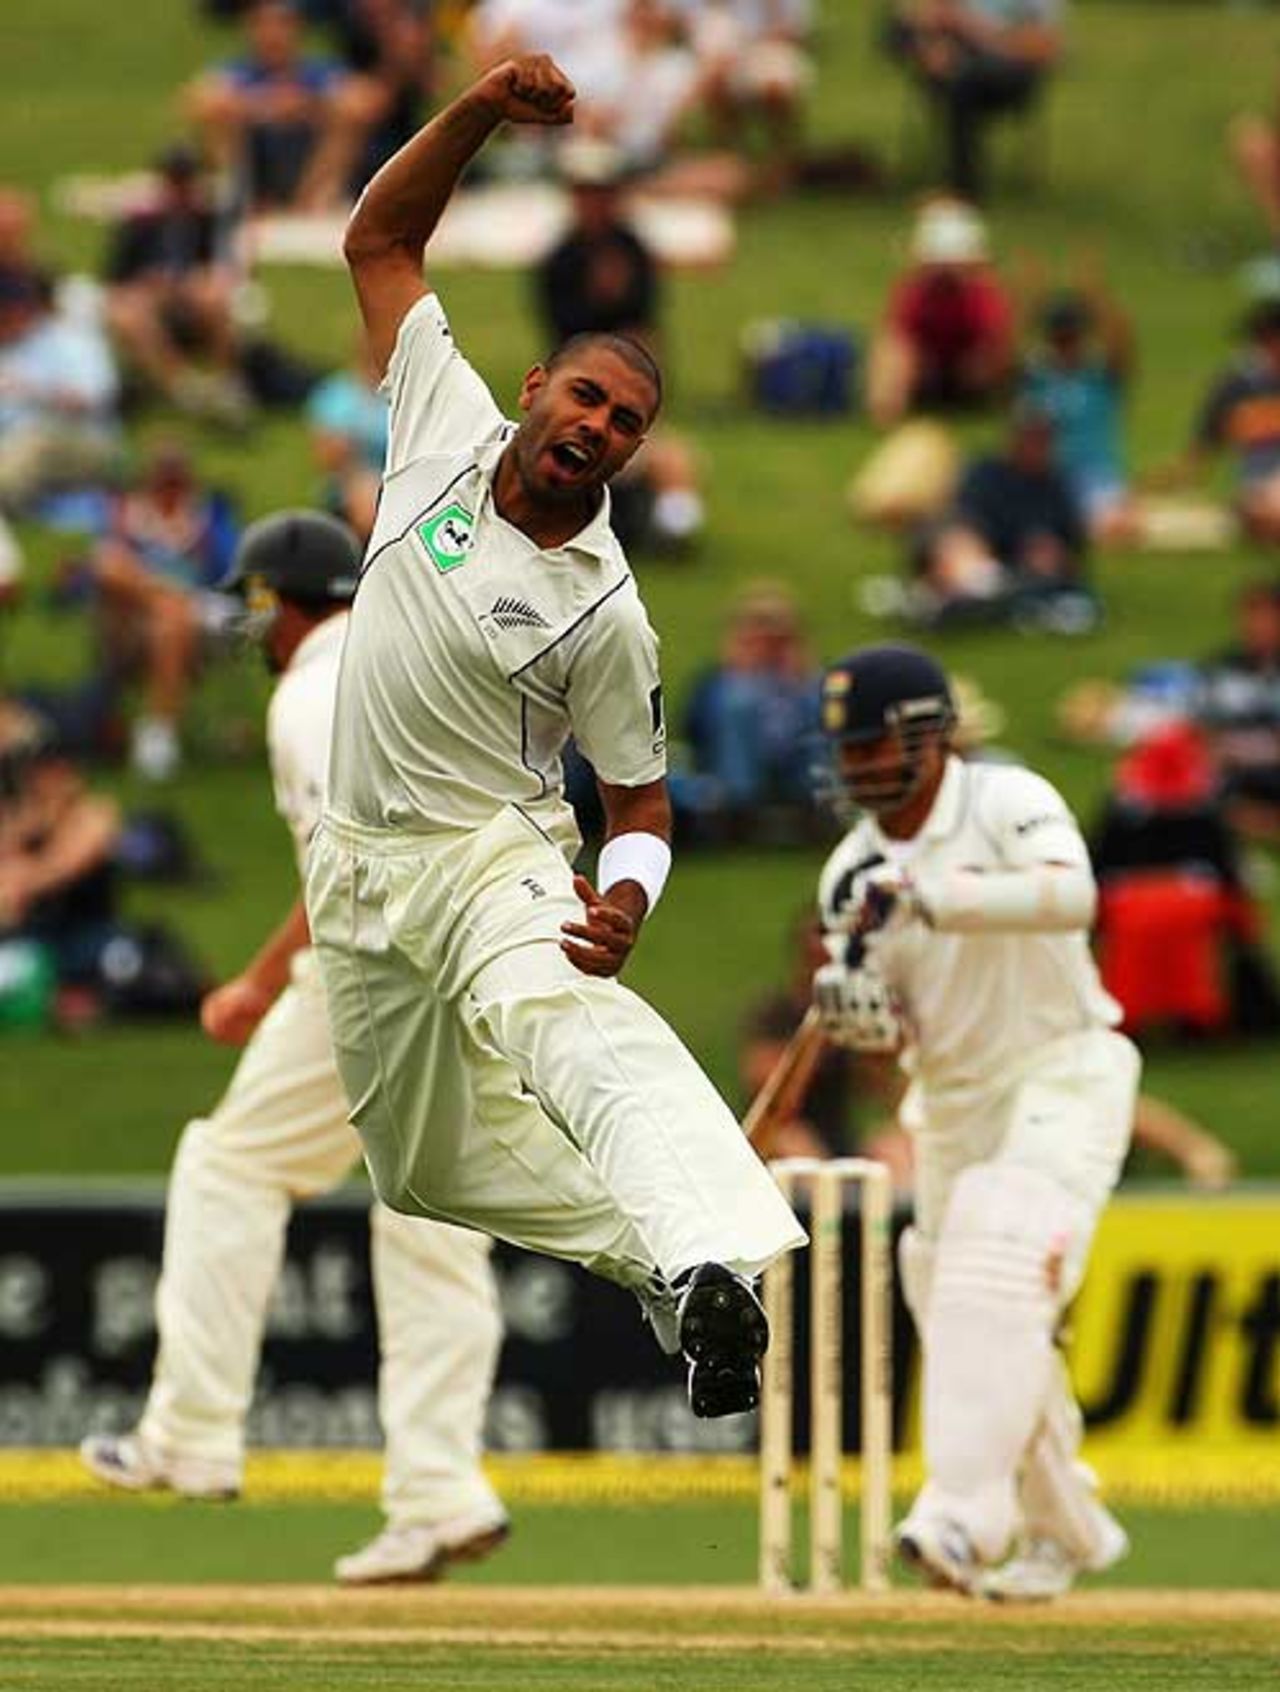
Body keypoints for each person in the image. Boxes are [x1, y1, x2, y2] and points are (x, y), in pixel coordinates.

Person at [306, 53, 804, 1422]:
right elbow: (379, 237)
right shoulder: (441, 416)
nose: (600, 428)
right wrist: (476, 106)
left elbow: (639, 806)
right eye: (588, 400)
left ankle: (713, 1249)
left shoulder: (606, 611)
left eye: (629, 425)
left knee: (563, 1022)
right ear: (537, 386)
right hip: (354, 869)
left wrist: (625, 901)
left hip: (490, 859)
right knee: (418, 1168)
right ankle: (676, 1275)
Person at [80, 510, 510, 1587]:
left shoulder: (314, 690)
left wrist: (264, 980)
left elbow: (349, 861)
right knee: (432, 1223)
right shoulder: (420, 667)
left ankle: (191, 1434)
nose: (251, 625)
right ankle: (440, 1494)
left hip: (378, 974)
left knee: (231, 1166)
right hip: (480, 960)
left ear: (281, 602)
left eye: (257, 604)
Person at [811, 642, 1138, 1601]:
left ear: (933, 734)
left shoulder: (1006, 801)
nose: (861, 767)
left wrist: (932, 895)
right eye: (849, 752)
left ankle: (958, 1519)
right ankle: (1066, 1532)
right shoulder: (848, 877)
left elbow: (1076, 896)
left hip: (1062, 1071)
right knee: (975, 1324)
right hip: (951, 1106)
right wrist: (860, 1010)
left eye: (876, 745)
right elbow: (891, 1040)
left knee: (998, 1255)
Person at [535, 139, 704, 553]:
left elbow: (644, 322)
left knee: (673, 459)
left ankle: (672, 528)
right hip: (584, 372)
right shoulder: (561, 259)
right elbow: (564, 332)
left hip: (627, 373)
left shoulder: (632, 250)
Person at [87, 442, 241, 781]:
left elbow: (234, 575)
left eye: (176, 482)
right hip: (132, 618)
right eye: (163, 481)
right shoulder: (124, 515)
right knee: (116, 568)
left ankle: (159, 730)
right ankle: (159, 732)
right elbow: (102, 570)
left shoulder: (210, 518)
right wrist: (159, 593)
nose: (169, 489)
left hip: (200, 616)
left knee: (172, 620)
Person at [103, 142, 252, 429]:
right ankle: (183, 386)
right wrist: (151, 284)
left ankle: (228, 380)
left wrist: (190, 281)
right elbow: (115, 280)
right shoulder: (139, 223)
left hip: (187, 295)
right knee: (130, 315)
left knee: (213, 296)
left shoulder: (202, 218)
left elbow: (215, 265)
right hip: (149, 298)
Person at [913, 400, 1091, 628]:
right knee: (960, 547)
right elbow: (963, 521)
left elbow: (1073, 546)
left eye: (1043, 439)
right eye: (1030, 438)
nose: (1036, 447)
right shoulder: (985, 474)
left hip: (1019, 571)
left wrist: (1053, 552)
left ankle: (960, 599)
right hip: (972, 552)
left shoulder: (1057, 486)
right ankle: (960, 593)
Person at [187, 0, 374, 213]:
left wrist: (306, 106)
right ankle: (237, 198)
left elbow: (363, 102)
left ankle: (313, 203)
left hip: (309, 170)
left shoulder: (316, 72)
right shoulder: (241, 72)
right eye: (263, 24)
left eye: (282, 24)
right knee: (219, 112)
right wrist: (265, 106)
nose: (273, 34)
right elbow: (200, 100)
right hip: (255, 168)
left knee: (347, 116)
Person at [883, 0, 1065, 201]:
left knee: (965, 78)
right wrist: (928, 47)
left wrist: (971, 27)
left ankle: (963, 188)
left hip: (1007, 72)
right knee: (899, 28)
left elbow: (1043, 48)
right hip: (951, 61)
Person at [866, 197, 1015, 430]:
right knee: (893, 347)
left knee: (990, 350)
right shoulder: (914, 291)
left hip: (968, 375)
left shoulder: (981, 292)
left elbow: (996, 340)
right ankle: (886, 411)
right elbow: (895, 338)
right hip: (928, 373)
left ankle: (992, 404)